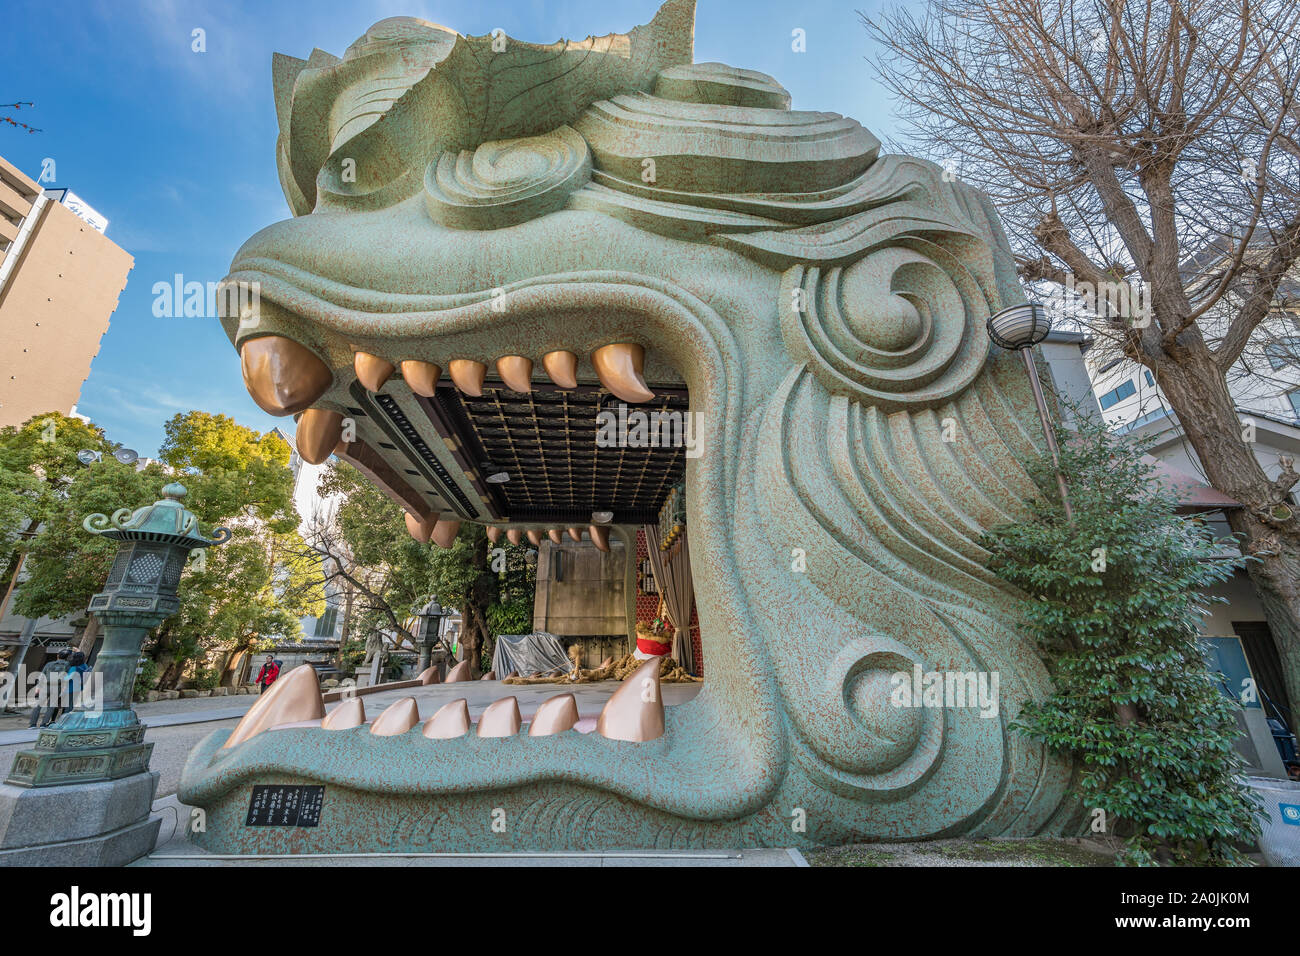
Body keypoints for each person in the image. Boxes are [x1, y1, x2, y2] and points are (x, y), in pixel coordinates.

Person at [44, 651, 88, 726]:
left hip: (70, 689)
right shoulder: (85, 666)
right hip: (80, 689)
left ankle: (64, 723)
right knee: (73, 706)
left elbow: (68, 678)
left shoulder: (74, 667)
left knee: (67, 707)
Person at [29, 649, 70, 728]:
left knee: (38, 705)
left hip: (45, 685)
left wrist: (38, 688)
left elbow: (42, 676)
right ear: (67, 657)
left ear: (58, 655)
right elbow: (67, 678)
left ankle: (32, 724)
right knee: (51, 706)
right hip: (57, 686)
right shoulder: (67, 665)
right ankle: (43, 724)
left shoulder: (49, 664)